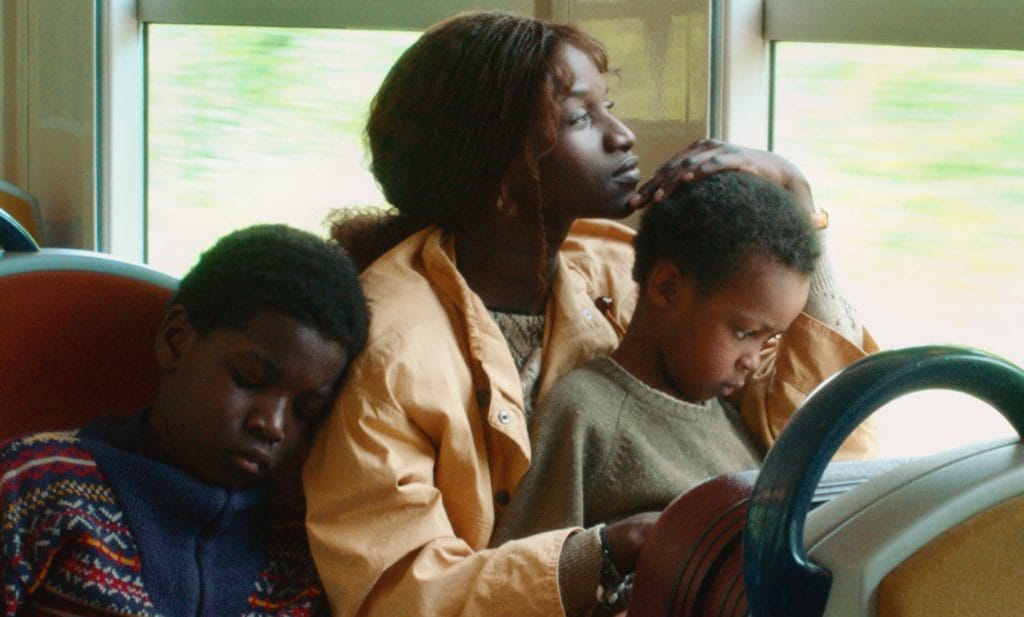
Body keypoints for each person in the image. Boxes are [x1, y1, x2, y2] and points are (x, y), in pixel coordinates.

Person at [304, 11, 875, 617]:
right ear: (499, 171)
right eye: (581, 117)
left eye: (607, 107)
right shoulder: (392, 346)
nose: (622, 134)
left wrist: (796, 197)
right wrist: (612, 550)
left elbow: (818, 437)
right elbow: (396, 592)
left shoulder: (612, 268)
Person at [489, 170, 867, 552]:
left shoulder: (730, 413)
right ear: (667, 288)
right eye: (746, 333)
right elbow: (533, 574)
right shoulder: (584, 413)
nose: (754, 361)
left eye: (771, 339)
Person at [1, 225, 369, 616]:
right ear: (176, 342)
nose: (273, 425)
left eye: (304, 410)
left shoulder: (300, 552)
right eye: (250, 379)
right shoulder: (38, 483)